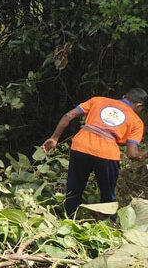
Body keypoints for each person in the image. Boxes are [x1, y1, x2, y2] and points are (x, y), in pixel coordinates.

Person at [42, 88, 146, 218]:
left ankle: (69, 219)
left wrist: (54, 138)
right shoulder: (136, 122)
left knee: (74, 189)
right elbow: (132, 154)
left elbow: (68, 116)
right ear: (139, 105)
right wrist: (143, 155)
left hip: (81, 146)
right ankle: (110, 224)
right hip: (107, 153)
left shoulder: (98, 100)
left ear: (124, 96)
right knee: (108, 194)